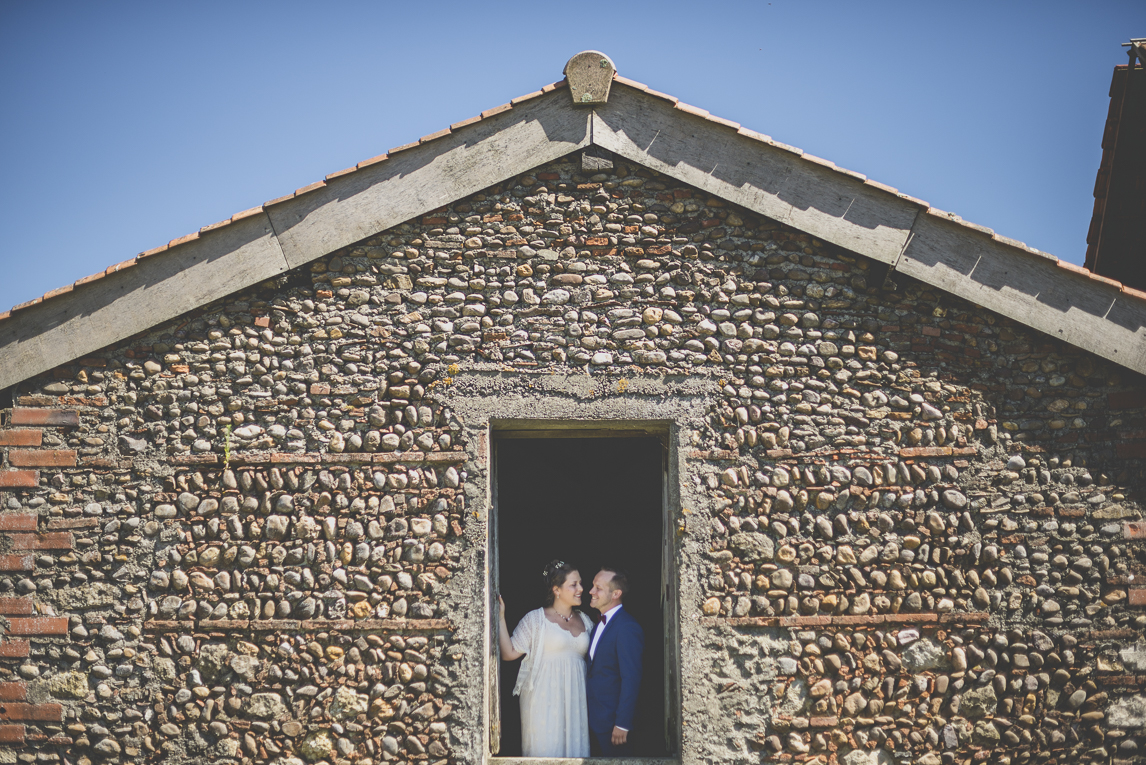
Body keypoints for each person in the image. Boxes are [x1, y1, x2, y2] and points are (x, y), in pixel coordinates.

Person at [498, 560, 593, 757]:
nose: (581, 589)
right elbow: (509, 653)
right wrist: (500, 617)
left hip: (576, 699)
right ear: (556, 590)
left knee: (576, 752)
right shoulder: (536, 619)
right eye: (574, 584)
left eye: (580, 583)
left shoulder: (586, 621)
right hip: (543, 699)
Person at [586, 566, 644, 756]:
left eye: (598, 588)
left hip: (613, 726)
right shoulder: (597, 625)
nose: (591, 591)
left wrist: (622, 723)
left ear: (616, 594)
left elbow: (631, 678)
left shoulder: (627, 627)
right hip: (591, 721)